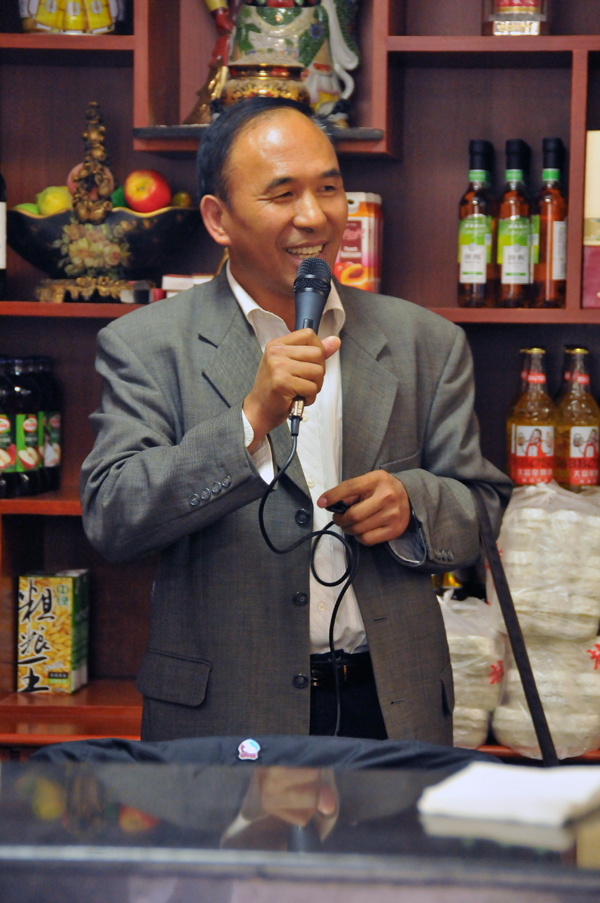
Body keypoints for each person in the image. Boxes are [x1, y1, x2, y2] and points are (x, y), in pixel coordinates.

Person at [81, 97, 511, 745]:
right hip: (224, 713)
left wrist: (411, 505)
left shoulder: (425, 341)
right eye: (282, 194)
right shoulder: (146, 344)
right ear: (218, 218)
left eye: (329, 189)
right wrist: (249, 420)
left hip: (391, 707)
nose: (313, 216)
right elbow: (113, 516)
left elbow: (482, 509)